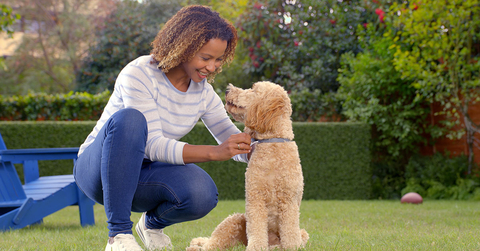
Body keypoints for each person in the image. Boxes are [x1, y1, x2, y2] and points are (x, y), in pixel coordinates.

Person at [73, 5, 252, 251]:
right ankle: (119, 236)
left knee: (202, 193)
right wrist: (215, 152)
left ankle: (150, 225)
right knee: (130, 119)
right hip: (97, 172)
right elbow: (152, 144)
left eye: (219, 59)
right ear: (183, 47)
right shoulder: (139, 73)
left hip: (141, 176)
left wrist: (263, 148)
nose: (212, 67)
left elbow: (234, 141)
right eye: (205, 57)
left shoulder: (204, 94)